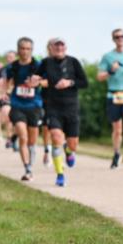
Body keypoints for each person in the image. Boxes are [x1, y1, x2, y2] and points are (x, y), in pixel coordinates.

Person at [37, 37, 88, 187]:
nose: (59, 48)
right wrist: (34, 80)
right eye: (56, 46)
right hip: (53, 108)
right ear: (51, 48)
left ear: (65, 48)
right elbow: (36, 75)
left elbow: (84, 82)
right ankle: (60, 174)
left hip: (71, 108)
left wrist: (69, 82)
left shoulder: (73, 62)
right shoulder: (46, 63)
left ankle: (69, 151)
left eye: (61, 46)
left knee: (73, 145)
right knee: (56, 137)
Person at [98, 28, 123, 169]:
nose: (120, 39)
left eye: (122, 36)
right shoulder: (108, 57)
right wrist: (111, 70)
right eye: (117, 37)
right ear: (113, 39)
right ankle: (116, 154)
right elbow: (100, 77)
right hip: (113, 94)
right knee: (117, 128)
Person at [5, 37, 44, 181]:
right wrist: (7, 93)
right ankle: (27, 168)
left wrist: (37, 82)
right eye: (22, 48)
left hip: (34, 106)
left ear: (32, 50)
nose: (25, 51)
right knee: (23, 136)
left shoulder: (38, 65)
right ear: (18, 50)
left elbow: (47, 82)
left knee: (32, 141)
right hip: (17, 105)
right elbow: (8, 83)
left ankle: (31, 158)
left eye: (28, 49)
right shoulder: (12, 67)